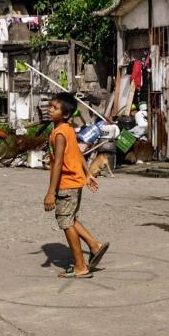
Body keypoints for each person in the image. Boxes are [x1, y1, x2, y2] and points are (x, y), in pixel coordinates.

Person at [43, 92, 109, 278]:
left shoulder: (60, 134)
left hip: (66, 184)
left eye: (54, 108)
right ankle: (94, 245)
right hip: (74, 182)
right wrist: (88, 174)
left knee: (65, 222)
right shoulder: (68, 128)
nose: (50, 110)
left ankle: (80, 266)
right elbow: (78, 152)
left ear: (64, 114)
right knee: (69, 217)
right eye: (50, 106)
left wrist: (50, 193)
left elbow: (58, 164)